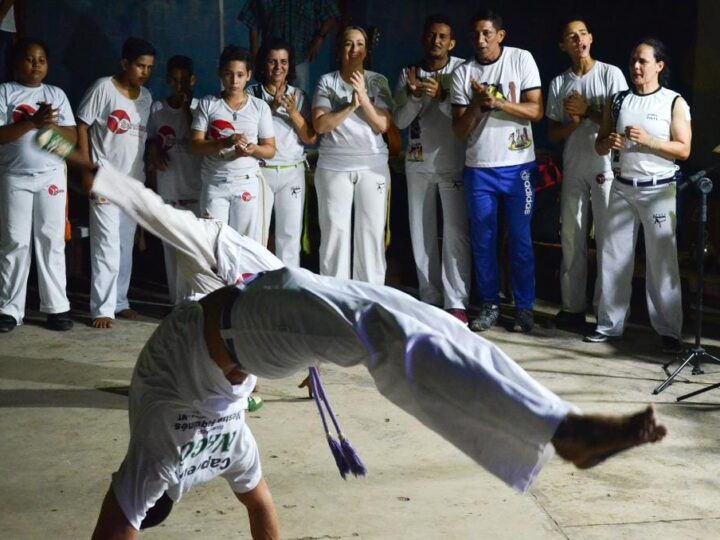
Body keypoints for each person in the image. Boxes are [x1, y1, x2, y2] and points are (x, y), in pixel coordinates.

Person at [28, 149, 664, 536]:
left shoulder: (178, 459)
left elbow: (153, 211)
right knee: (390, 326)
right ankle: (561, 430)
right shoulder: (190, 460)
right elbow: (255, 511)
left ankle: (556, 424)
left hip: (243, 316)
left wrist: (99, 176)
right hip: (238, 328)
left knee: (418, 318)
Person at [585, 38, 691, 352]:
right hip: (621, 187)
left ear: (659, 65)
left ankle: (670, 331)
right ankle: (609, 325)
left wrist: (647, 141)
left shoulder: (673, 101)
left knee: (662, 262)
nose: (636, 66)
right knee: (614, 258)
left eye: (643, 61)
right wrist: (609, 143)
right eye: (633, 60)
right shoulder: (617, 100)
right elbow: (599, 144)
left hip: (658, 189)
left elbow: (683, 149)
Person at [451, 10, 544, 333]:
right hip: (479, 169)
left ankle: (524, 308)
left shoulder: (521, 60)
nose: (480, 40)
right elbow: (459, 131)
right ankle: (489, 304)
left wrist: (499, 102)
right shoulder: (463, 72)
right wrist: (478, 105)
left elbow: (536, 110)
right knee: (483, 240)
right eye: (475, 34)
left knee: (520, 239)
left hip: (518, 168)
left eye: (487, 34)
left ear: (500, 36)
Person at [546, 17, 628, 328]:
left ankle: (606, 315)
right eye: (571, 36)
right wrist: (574, 122)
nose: (578, 39)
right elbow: (553, 133)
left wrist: (587, 111)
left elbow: (620, 121)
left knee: (607, 240)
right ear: (562, 45)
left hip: (605, 166)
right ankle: (572, 308)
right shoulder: (559, 83)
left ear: (591, 38)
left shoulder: (610, 75)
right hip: (573, 164)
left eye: (582, 33)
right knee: (571, 238)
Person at [393, 14, 470, 324]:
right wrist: (412, 97)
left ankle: (456, 302)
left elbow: (463, 115)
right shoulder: (408, 72)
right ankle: (430, 298)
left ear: (451, 43)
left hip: (453, 162)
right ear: (424, 39)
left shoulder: (462, 69)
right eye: (431, 35)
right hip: (417, 163)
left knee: (455, 234)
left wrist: (440, 96)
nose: (436, 41)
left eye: (442, 37)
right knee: (421, 233)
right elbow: (398, 121)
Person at [76, 37, 155, 329]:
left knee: (124, 246)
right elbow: (81, 126)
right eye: (139, 65)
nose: (144, 71)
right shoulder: (102, 88)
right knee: (105, 245)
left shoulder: (146, 97)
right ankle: (102, 308)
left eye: (149, 67)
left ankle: (120, 302)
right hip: (104, 179)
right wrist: (86, 171)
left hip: (132, 183)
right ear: (124, 63)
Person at [0, 38, 75, 333]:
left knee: (51, 240)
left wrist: (50, 126)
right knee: (15, 241)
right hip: (14, 176)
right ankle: (9, 308)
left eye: (41, 60)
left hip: (51, 176)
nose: (36, 65)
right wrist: (32, 122)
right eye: (30, 59)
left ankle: (57, 307)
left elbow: (71, 139)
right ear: (17, 63)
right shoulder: (5, 92)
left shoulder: (55, 94)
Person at [312, 25, 393, 285]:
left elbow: (382, 125)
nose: (354, 49)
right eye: (348, 44)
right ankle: (336, 296)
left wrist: (364, 100)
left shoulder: (378, 80)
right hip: (334, 166)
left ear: (366, 50)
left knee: (371, 233)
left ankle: (372, 297)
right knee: (335, 232)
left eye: (359, 44)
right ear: (339, 50)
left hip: (373, 166)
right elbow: (320, 125)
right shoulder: (327, 81)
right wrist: (350, 105)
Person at [190, 45, 275, 244]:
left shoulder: (259, 107)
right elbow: (194, 146)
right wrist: (225, 142)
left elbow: (270, 150)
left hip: (246, 182)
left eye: (239, 74)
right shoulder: (208, 103)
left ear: (249, 75)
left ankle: (242, 276)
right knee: (212, 243)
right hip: (215, 183)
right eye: (228, 74)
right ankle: (217, 277)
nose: (234, 81)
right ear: (220, 74)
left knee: (245, 244)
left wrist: (254, 149)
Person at [248, 38, 317, 267]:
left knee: (289, 235)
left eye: (284, 62)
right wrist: (270, 109)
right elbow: (246, 133)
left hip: (292, 172)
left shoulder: (299, 95)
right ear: (263, 65)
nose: (279, 67)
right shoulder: (251, 93)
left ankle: (289, 289)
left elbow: (309, 137)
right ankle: (257, 289)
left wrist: (292, 111)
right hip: (260, 171)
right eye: (272, 62)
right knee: (256, 234)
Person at [147, 54, 202, 304]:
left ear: (193, 81)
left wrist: (187, 107)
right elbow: (148, 141)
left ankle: (195, 303)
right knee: (171, 254)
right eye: (174, 81)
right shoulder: (157, 110)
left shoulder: (200, 108)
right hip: (169, 190)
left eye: (184, 82)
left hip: (196, 191)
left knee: (194, 252)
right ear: (168, 80)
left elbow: (195, 139)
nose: (179, 87)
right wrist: (152, 149)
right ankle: (176, 304)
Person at [237, 0, 339, 95]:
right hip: (271, 56)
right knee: (268, 93)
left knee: (299, 95)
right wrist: (255, 55)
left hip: (300, 55)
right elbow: (252, 20)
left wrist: (319, 38)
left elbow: (331, 16)